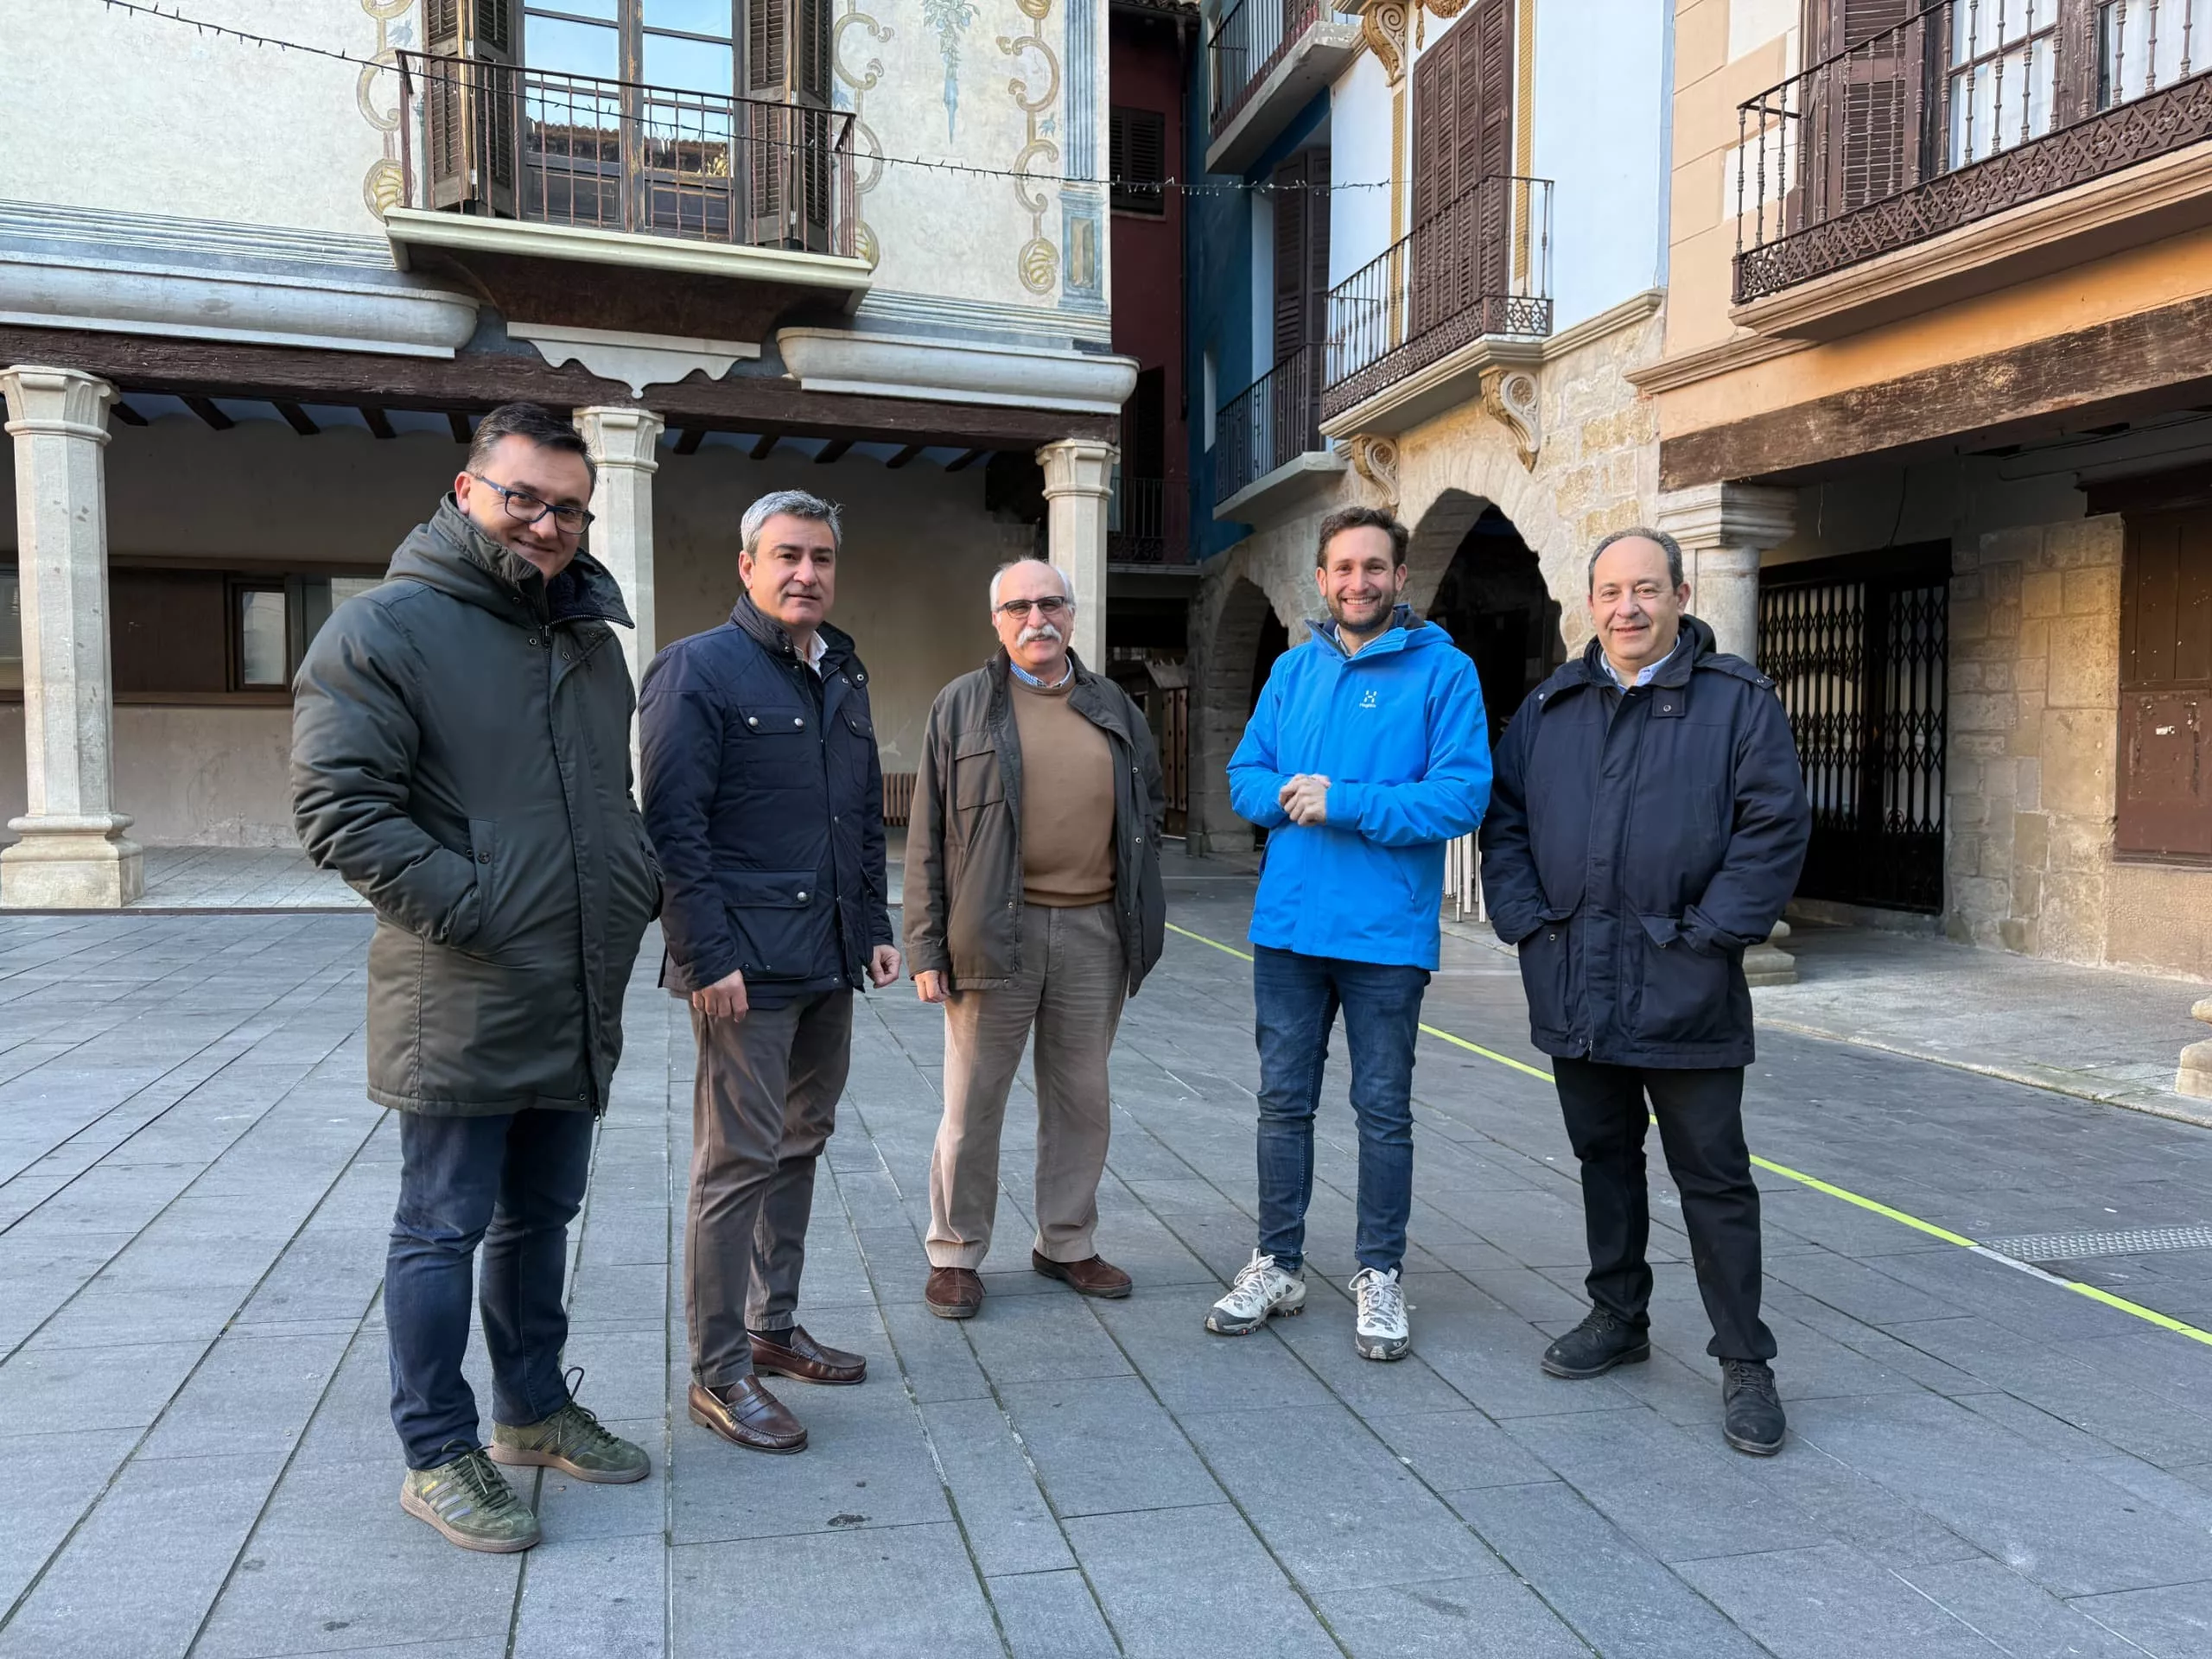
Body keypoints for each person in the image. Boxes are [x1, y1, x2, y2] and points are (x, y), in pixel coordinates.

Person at [292, 401, 661, 1554]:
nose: (548, 525)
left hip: (574, 982)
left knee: (542, 1214)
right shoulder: (385, 631)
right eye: (524, 498)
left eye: (569, 507)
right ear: (467, 491)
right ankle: (437, 1449)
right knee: (441, 1224)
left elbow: (608, 804)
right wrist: (482, 904)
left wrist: (630, 884)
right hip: (461, 986)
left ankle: (534, 1410)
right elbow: (339, 809)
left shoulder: (590, 643)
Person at [1478, 527, 1810, 1457]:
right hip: (1575, 985)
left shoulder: (1735, 702)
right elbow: (1502, 825)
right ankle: (1617, 1316)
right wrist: (1528, 926)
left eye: (1645, 590)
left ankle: (1744, 1359)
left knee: (1714, 1178)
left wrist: (1712, 938)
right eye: (1611, 591)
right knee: (1603, 1159)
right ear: (1590, 603)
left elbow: (1773, 827)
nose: (1627, 607)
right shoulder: (1549, 707)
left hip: (1687, 986)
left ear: (1679, 594)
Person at [639, 488, 899, 1458]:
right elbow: (672, 827)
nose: (806, 574)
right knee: (735, 1161)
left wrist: (871, 922)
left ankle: (772, 1328)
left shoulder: (842, 669)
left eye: (822, 557)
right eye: (787, 555)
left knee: (801, 1143)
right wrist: (705, 957)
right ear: (746, 564)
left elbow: (859, 811)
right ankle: (718, 1373)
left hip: (827, 954)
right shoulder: (695, 670)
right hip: (741, 967)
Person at [1205, 506, 1491, 1361]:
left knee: (1382, 1113)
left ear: (1400, 579)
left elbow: (1461, 797)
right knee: (1281, 1103)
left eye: (1373, 567)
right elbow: (1244, 777)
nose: (1356, 582)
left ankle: (1379, 1273)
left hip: (1385, 937)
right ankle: (1278, 1264)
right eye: (1341, 568)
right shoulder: (1293, 670)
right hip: (1289, 928)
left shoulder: (1445, 673)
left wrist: (1347, 801)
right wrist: (1289, 793)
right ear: (1321, 581)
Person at [905, 557, 1166, 1319]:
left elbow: (1146, 805)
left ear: (1072, 615)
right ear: (997, 622)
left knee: (1082, 1098)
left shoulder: (1114, 704)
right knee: (973, 1102)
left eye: (1050, 603)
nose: (1036, 619)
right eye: (1017, 607)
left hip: (1095, 932)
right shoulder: (961, 706)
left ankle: (1067, 1242)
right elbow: (926, 834)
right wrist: (926, 947)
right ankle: (955, 1253)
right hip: (993, 931)